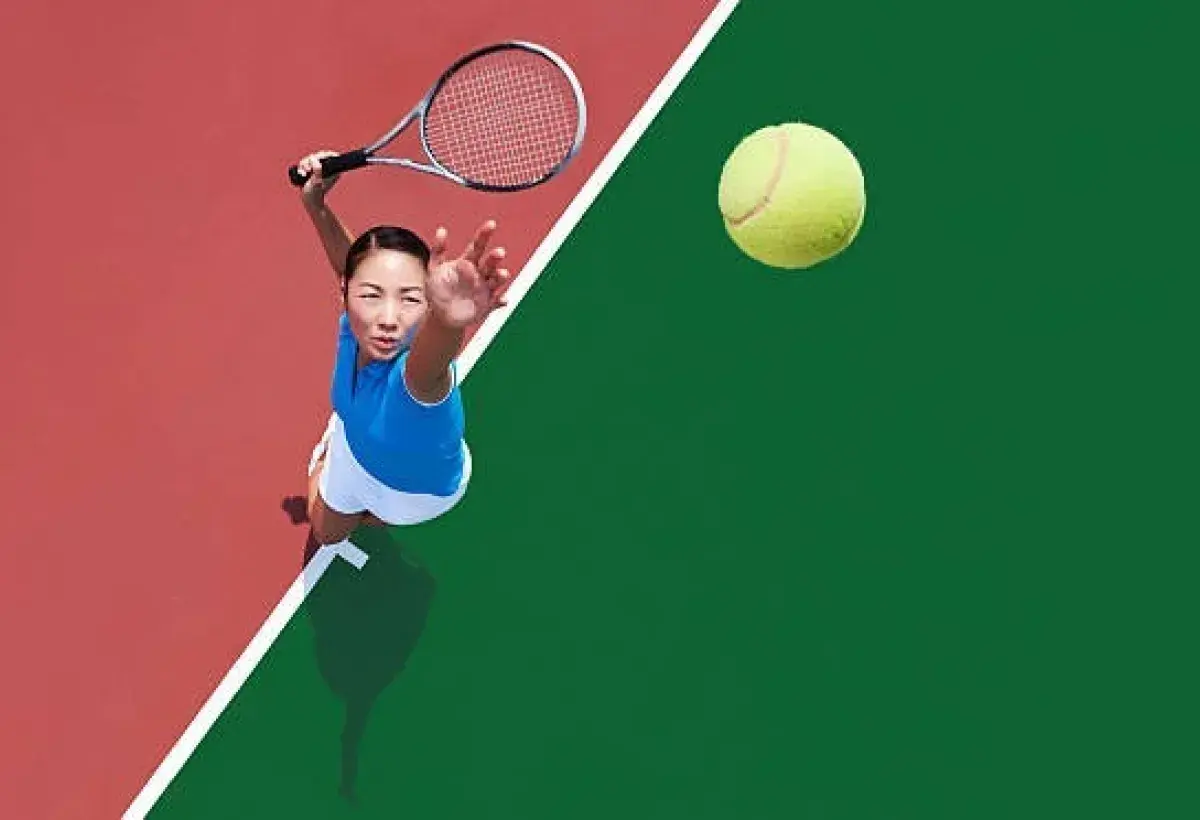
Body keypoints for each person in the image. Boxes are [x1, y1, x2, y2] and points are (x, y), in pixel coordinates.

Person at [295, 150, 510, 548]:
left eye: (410, 299)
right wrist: (316, 206)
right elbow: (349, 267)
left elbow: (432, 361)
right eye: (373, 295)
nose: (389, 319)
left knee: (374, 519)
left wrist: (447, 320)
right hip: (355, 457)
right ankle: (337, 455)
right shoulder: (355, 322)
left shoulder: (416, 381)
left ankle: (363, 503)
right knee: (325, 533)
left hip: (421, 497)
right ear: (346, 293)